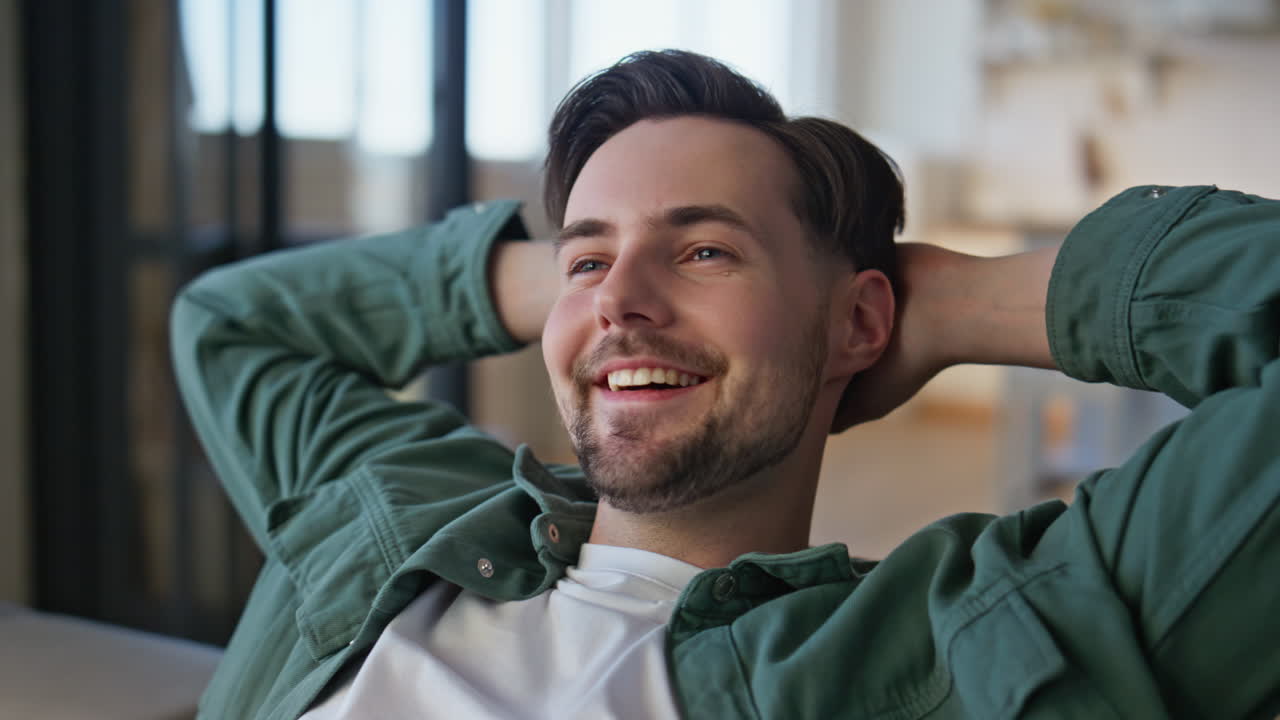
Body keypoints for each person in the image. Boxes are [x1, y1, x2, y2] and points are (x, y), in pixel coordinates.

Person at [171, 50, 1280, 719]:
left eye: (703, 251)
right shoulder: (401, 508)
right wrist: (571, 275)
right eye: (590, 262)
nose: (620, 303)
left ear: (856, 320)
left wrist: (949, 303)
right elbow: (230, 321)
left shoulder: (930, 652)